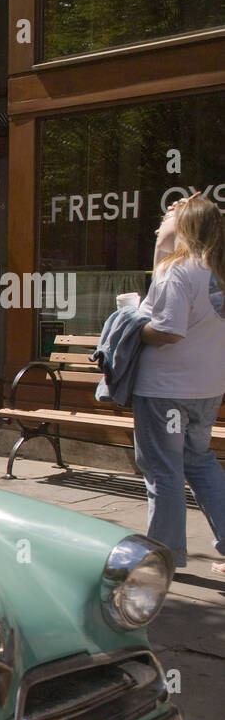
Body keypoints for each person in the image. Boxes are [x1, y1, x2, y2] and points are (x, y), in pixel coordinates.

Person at [131, 192, 225, 576]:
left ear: (184, 228)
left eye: (171, 218)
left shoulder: (180, 270)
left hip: (166, 390)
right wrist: (161, 241)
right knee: (200, 463)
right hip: (206, 388)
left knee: (164, 471)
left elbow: (167, 331)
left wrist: (133, 326)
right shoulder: (215, 270)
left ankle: (164, 556)